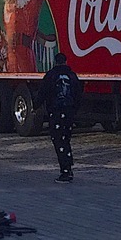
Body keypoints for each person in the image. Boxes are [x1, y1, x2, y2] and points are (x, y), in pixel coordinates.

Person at [39, 49, 83, 181]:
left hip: (56, 112)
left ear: (55, 62)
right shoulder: (72, 76)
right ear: (65, 61)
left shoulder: (50, 76)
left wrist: (36, 106)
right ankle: (68, 166)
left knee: (58, 140)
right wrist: (75, 109)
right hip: (69, 112)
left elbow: (43, 93)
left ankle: (65, 170)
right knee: (66, 139)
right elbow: (78, 93)